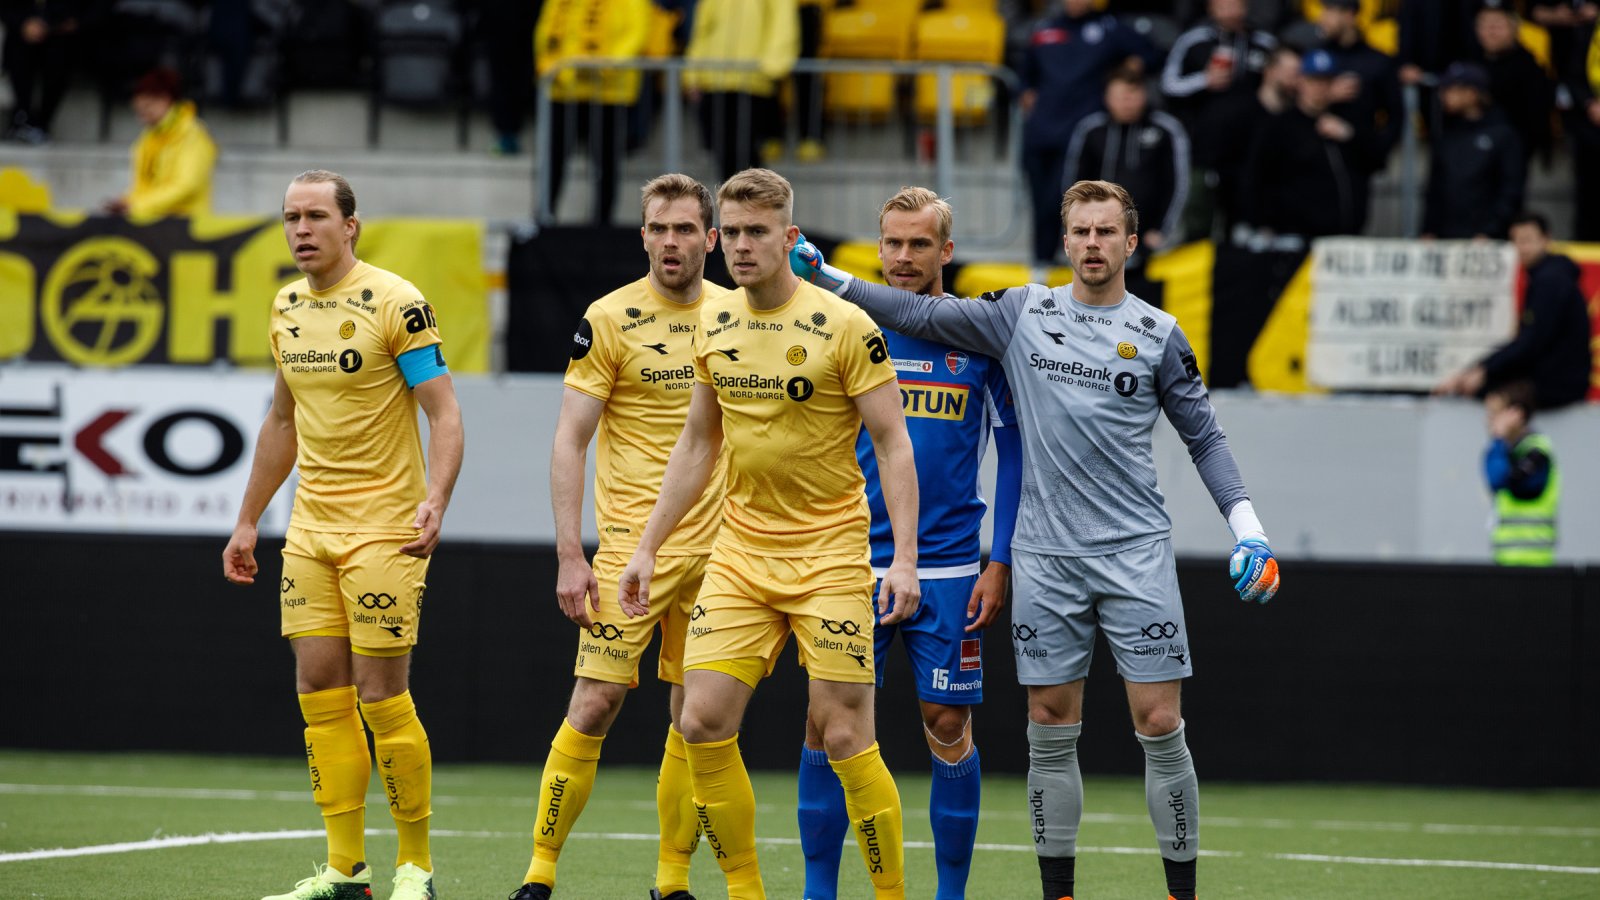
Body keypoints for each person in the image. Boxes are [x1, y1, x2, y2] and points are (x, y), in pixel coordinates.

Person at [792, 178, 1281, 900]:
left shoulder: (1158, 333)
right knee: (1043, 725)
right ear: (1064, 239)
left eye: (1105, 232)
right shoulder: (1021, 312)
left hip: (1127, 552)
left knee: (1161, 721)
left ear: (1130, 242)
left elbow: (1204, 437)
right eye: (1080, 231)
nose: (1092, 243)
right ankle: (1055, 893)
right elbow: (912, 310)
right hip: (1032, 560)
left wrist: (1250, 530)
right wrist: (826, 275)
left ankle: (1182, 891)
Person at [618, 167, 921, 900]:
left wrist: (902, 561)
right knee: (700, 721)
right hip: (741, 554)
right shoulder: (713, 323)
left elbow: (893, 444)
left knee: (846, 736)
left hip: (831, 558)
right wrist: (648, 546)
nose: (744, 246)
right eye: (736, 233)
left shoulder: (846, 326)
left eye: (761, 233)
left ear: (789, 237)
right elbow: (698, 442)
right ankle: (747, 892)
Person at [223, 169, 465, 900]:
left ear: (349, 226)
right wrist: (246, 520)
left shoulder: (397, 302)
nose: (301, 229)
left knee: (381, 695)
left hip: (384, 531)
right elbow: (282, 423)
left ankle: (416, 866)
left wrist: (437, 499)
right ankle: (345, 869)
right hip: (310, 530)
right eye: (291, 216)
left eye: (316, 216)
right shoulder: (286, 306)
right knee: (319, 689)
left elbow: (444, 413)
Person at [795, 187, 1023, 900]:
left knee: (948, 722)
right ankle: (817, 891)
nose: (902, 258)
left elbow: (1014, 455)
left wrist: (1002, 558)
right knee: (827, 724)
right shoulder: (845, 328)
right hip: (849, 559)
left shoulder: (980, 339)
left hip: (953, 565)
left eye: (918, 244)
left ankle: (949, 894)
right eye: (891, 243)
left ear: (945, 252)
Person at [508, 173, 729, 900]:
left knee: (696, 719)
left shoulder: (740, 316)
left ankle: (672, 883)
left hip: (725, 555)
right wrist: (572, 553)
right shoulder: (608, 318)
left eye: (685, 229)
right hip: (634, 549)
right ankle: (539, 875)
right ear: (642, 236)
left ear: (712, 237)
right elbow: (569, 440)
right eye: (659, 229)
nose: (671, 242)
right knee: (594, 702)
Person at [1019, 0, 1157, 269]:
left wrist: (1129, 70)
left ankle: (1067, 255)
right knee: (1038, 200)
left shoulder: (1109, 28)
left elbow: (1151, 54)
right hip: (1040, 130)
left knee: (1060, 200)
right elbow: (1026, 73)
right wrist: (1026, 92)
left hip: (1078, 133)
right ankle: (1041, 261)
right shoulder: (1045, 29)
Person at [1434, 210, 1593, 410]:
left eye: (1527, 240)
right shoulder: (1547, 277)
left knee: (1487, 391)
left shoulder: (1551, 282)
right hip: (1559, 377)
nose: (1521, 248)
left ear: (1546, 239)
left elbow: (1531, 343)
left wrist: (1483, 371)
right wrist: (1480, 368)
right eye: (1516, 241)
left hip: (1559, 383)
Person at [535, 0, 651, 225]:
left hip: (609, 94)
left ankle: (602, 222)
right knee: (554, 158)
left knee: (605, 161)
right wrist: (552, 67)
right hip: (565, 91)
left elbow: (637, 32)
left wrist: (605, 66)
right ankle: (544, 218)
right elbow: (546, 31)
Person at [1238, 49, 1366, 244]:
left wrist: (1350, 136)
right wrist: (1262, 223)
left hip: (1340, 238)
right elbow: (1256, 177)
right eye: (1314, 81)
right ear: (1300, 82)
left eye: (1326, 82)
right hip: (1291, 236)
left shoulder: (1344, 122)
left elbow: (1374, 160)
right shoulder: (1279, 126)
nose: (1320, 88)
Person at [1065, 67, 1191, 261]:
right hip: (1098, 235)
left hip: (1150, 238)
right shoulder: (1091, 130)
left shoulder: (1166, 129)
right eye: (1119, 96)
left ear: (1144, 95)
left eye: (1132, 95)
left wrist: (1161, 230)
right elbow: (1074, 183)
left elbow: (1177, 184)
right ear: (1106, 98)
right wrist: (1079, 228)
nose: (1126, 102)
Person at [682, 0, 799, 180]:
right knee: (723, 153)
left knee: (746, 154)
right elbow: (702, 30)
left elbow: (783, 25)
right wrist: (693, 74)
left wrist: (771, 66)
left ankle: (755, 204)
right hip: (714, 81)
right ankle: (735, 204)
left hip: (752, 83)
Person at [1314, 0, 1403, 231]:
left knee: (1351, 229)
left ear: (1350, 15)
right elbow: (1293, 106)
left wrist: (1375, 151)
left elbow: (1396, 115)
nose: (1323, 18)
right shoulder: (1316, 55)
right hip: (1312, 161)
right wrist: (1326, 96)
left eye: (1330, 11)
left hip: (1356, 164)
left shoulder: (1377, 62)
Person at [1422, 62, 1524, 240]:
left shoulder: (1502, 134)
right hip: (1445, 237)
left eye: (1450, 89)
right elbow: (1434, 188)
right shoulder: (1445, 134)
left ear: (1471, 93)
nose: (1443, 95)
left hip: (1486, 241)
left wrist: (1490, 231)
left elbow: (1510, 190)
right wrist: (1428, 230)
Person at [102, 67, 217, 219]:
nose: (142, 113)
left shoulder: (193, 135)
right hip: (153, 224)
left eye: (148, 107)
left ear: (165, 100)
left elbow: (187, 186)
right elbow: (143, 186)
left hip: (185, 227)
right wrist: (127, 202)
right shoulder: (147, 138)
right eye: (139, 110)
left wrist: (137, 206)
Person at [1472, 1, 1555, 177]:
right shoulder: (1468, 67)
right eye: (1485, 25)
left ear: (1514, 28)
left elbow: (1537, 117)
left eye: (1498, 25)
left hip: (1513, 151)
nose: (1491, 32)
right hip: (1473, 151)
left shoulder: (1530, 67)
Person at [1482, 380, 1561, 565]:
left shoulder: (1537, 452)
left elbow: (1500, 479)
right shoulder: (1506, 451)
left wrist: (1498, 439)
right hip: (1506, 561)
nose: (1488, 420)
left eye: (1495, 413)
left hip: (1535, 565)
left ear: (1516, 414)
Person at [1, 0, 82, 144]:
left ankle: (41, 123)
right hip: (21, 30)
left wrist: (57, 24)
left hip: (61, 32)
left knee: (60, 55)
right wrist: (23, 23)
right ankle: (21, 117)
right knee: (19, 49)